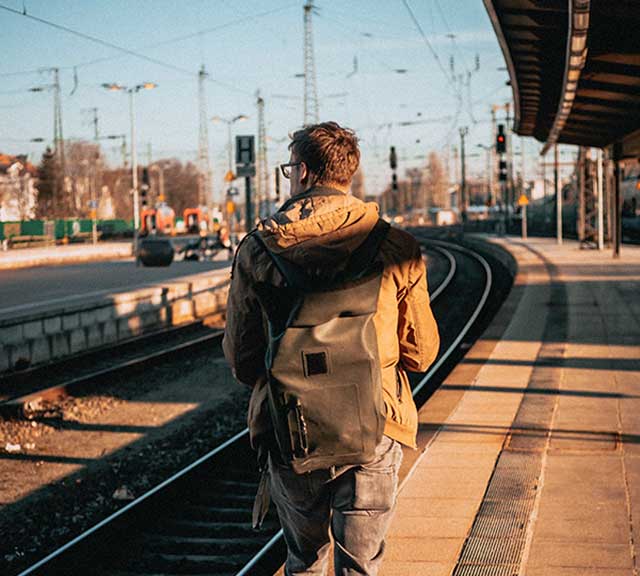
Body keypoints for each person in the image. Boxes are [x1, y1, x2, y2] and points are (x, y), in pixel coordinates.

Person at [223, 121, 439, 575]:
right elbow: (422, 353)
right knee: (360, 565)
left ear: (301, 172)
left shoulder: (259, 249)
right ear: (349, 174)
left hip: (293, 430)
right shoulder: (395, 245)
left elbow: (243, 361)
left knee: (304, 561)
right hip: (374, 429)